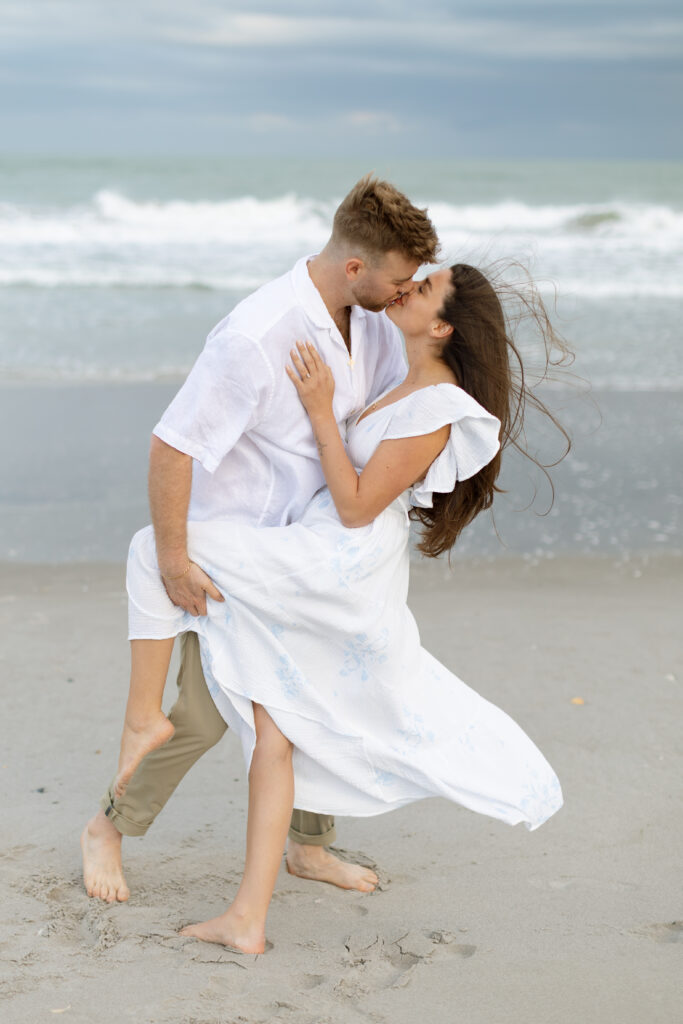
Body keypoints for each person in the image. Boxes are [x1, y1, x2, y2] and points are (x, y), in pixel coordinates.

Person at [120, 261, 568, 954]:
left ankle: (144, 719)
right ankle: (253, 911)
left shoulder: (439, 404)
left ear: (442, 325)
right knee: (278, 733)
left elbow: (359, 507)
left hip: (340, 562)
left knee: (156, 549)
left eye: (422, 290)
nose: (407, 288)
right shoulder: (405, 371)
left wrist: (320, 411)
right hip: (325, 550)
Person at [80, 175, 440, 904]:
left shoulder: (368, 321)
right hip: (227, 557)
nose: (403, 293)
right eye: (397, 279)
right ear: (353, 268)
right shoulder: (256, 335)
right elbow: (170, 447)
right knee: (203, 718)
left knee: (321, 697)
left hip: (304, 555)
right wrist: (176, 561)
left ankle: (308, 848)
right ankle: (107, 830)